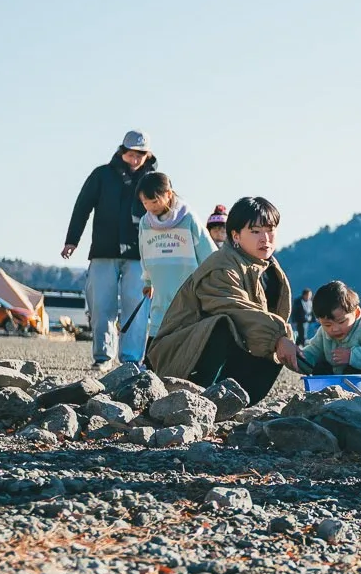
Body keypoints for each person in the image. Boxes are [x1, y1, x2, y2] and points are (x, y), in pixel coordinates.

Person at [146, 196, 299, 400]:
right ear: (236, 236)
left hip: (224, 359)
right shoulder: (221, 267)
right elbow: (235, 308)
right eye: (255, 231)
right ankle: (199, 397)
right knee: (226, 325)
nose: (265, 238)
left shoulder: (268, 269)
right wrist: (278, 337)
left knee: (279, 336)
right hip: (178, 356)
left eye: (270, 229)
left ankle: (241, 400)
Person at [60, 130, 158, 369]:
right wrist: (72, 240)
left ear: (147, 155)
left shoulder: (155, 180)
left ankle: (131, 359)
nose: (135, 160)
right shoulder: (101, 175)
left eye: (140, 155)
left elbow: (165, 213)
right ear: (122, 151)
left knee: (136, 305)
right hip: (104, 249)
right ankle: (103, 356)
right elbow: (82, 206)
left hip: (139, 254)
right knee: (101, 304)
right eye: (131, 154)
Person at [133, 172, 214, 362]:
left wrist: (210, 280)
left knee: (187, 319)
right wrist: (147, 280)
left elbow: (208, 252)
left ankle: (186, 363)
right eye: (145, 203)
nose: (150, 207)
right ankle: (151, 364)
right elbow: (144, 251)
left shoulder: (188, 219)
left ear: (168, 194)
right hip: (160, 284)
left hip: (187, 283)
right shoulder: (145, 222)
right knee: (158, 320)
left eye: (154, 202)